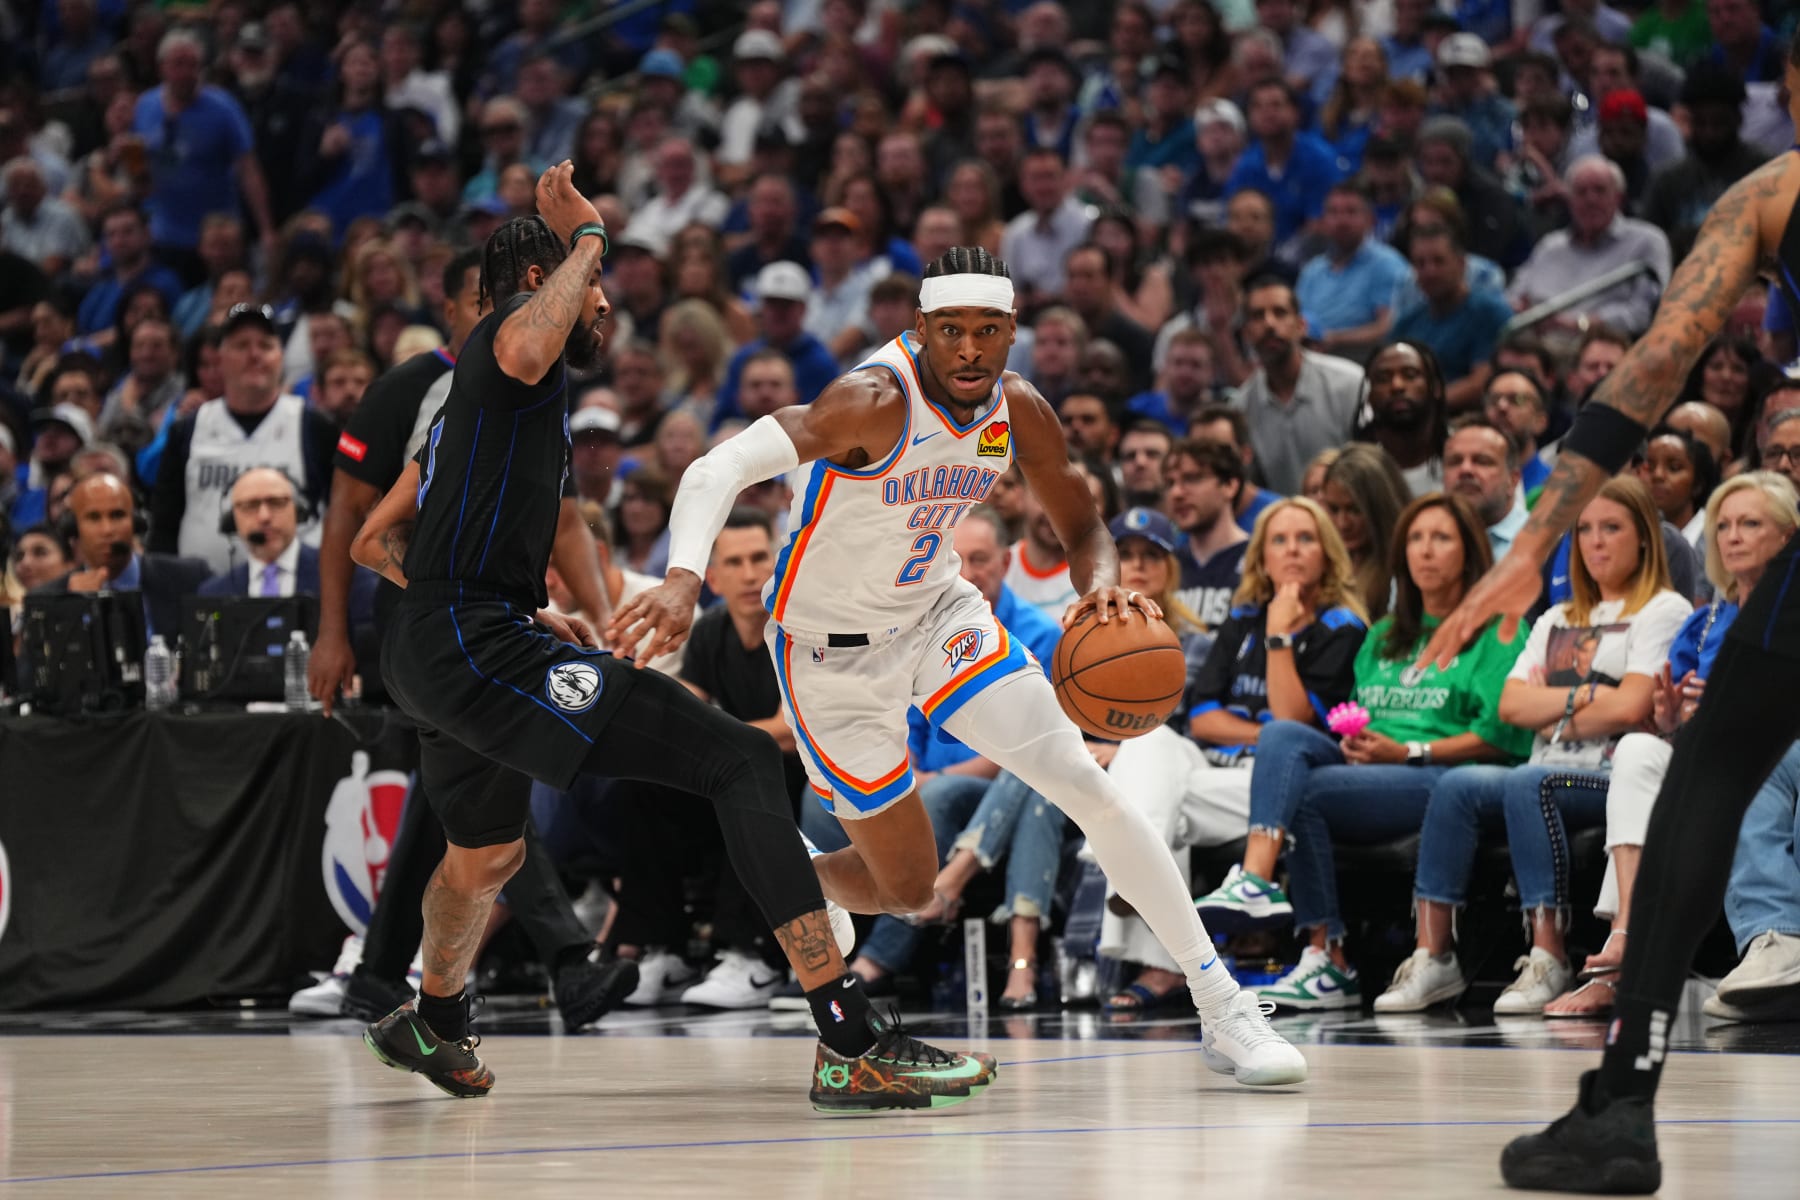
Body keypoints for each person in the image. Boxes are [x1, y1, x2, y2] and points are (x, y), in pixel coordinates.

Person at [351, 167, 990, 1111]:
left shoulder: (468, 413)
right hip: (470, 644)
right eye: (591, 286)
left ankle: (435, 1015)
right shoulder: (504, 351)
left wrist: (485, 604)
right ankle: (849, 1038)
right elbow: (527, 343)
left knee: (486, 856)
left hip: (433, 651)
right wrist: (589, 235)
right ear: (540, 287)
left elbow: (377, 541)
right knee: (736, 758)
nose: (605, 303)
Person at [610, 245, 1309, 1086]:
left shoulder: (1019, 409)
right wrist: (686, 577)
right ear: (920, 331)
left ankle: (1222, 1005)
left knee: (1088, 787)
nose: (971, 349)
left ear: (1013, 332)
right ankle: (797, 878)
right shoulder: (869, 402)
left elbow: (1087, 529)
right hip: (830, 658)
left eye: (988, 331)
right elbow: (716, 466)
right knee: (905, 887)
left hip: (940, 617)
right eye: (952, 332)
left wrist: (1102, 593)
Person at [1420, 56, 1800, 1184]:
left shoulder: (1774, 193)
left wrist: (1536, 540)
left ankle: (1622, 1102)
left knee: (1707, 777)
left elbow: (1655, 360)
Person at [1199, 493, 1529, 1008]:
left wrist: (1409, 752)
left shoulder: (1498, 632)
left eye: (1441, 538)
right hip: (1376, 772)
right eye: (1416, 539)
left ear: (1470, 552)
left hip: (1446, 774)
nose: (1425, 551)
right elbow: (1348, 715)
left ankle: (1328, 958)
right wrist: (1355, 740)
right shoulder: (1382, 637)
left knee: (1307, 793)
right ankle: (1256, 882)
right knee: (1283, 737)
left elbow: (1500, 737)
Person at [1379, 477, 1688, 1017]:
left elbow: (1633, 707)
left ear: (1644, 539)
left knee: (1528, 780)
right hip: (1546, 767)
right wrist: (1591, 695)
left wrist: (1557, 709)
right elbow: (1510, 707)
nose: (1595, 542)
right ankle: (1435, 953)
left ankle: (1548, 954)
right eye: (1585, 530)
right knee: (1457, 785)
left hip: (1613, 776)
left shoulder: (1663, 610)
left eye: (1611, 528)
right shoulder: (1555, 617)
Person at [1544, 472, 1799, 1018]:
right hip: (1712, 754)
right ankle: (1632, 938)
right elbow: (1676, 717)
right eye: (1724, 525)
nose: (1732, 536)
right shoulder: (1703, 624)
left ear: (1788, 537)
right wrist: (1666, 719)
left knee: (1747, 757)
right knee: (1638, 750)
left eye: (1751, 523)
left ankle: (1775, 939)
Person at [1102, 498, 1363, 1012]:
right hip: (1215, 770)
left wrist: (1281, 636)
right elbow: (1202, 717)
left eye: (1305, 539)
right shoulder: (1243, 616)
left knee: (1159, 817)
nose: (1291, 550)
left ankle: (1157, 951)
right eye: (1279, 540)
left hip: (1279, 786)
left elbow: (1290, 722)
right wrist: (1256, 729)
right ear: (1261, 555)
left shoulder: (1343, 627)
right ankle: (1131, 877)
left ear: (1328, 554)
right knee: (1149, 744)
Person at [31, 471, 209, 639]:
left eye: (117, 515)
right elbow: (33, 670)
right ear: (73, 528)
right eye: (93, 517)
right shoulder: (47, 600)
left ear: (137, 522)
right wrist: (74, 611)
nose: (107, 530)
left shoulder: (190, 578)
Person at [200, 469, 374, 633]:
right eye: (250, 505)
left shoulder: (348, 578)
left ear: (298, 511)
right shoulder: (213, 594)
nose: (264, 516)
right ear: (231, 520)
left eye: (276, 502)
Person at [1235, 275, 1364, 496]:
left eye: (1280, 312)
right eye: (1258, 316)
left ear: (1301, 325)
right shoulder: (1241, 407)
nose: (1269, 323)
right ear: (1246, 334)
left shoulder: (1349, 383)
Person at [1319, 443, 1411, 621]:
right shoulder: (1319, 563)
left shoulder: (1405, 570)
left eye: (1354, 510)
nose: (1343, 524)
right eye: (1333, 509)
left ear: (1381, 507)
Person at [1165, 437, 1250, 629]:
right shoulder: (1166, 565)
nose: (1176, 493)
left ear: (1229, 486)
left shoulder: (1258, 560)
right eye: (1170, 483)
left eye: (1192, 479)